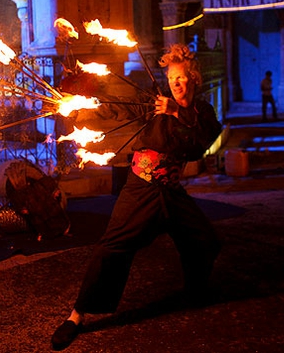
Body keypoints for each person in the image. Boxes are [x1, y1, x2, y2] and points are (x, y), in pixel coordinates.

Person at [51, 44, 223, 349]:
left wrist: (178, 114)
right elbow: (120, 109)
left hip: (172, 191)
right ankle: (77, 315)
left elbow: (198, 146)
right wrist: (80, 102)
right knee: (112, 247)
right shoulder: (153, 105)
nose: (175, 83)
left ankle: (194, 293)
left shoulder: (202, 112)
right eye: (171, 78)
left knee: (204, 240)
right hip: (141, 188)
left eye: (182, 77)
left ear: (194, 78)